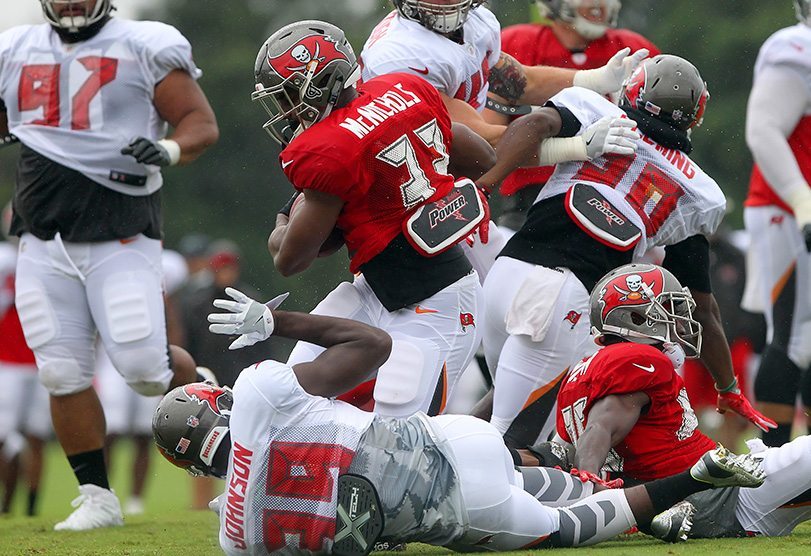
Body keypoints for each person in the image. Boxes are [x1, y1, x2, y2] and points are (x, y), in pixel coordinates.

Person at [154, 289, 763, 553]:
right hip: (449, 441)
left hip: (451, 515)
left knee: (568, 529)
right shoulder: (260, 392)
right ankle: (641, 488)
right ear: (219, 405)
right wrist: (277, 324)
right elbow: (370, 347)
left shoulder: (237, 540)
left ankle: (696, 478)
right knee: (554, 483)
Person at [481, 54, 775, 449]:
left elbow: (533, 124)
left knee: (504, 413)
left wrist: (484, 184)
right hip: (562, 298)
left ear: (633, 90)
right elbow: (702, 310)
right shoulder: (698, 192)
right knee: (512, 442)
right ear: (693, 117)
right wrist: (728, 385)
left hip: (506, 272)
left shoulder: (591, 107)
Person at [0, 0, 218, 530]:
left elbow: (199, 122)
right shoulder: (14, 48)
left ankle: (218, 423)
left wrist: (168, 148)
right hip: (42, 235)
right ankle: (98, 497)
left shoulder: (142, 44)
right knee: (61, 370)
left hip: (121, 233)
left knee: (146, 374)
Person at [254, 19, 525, 419]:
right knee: (283, 396)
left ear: (314, 87)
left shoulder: (326, 150)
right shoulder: (403, 86)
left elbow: (289, 260)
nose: (285, 111)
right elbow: (481, 157)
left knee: (399, 440)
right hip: (377, 289)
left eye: (287, 97)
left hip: (437, 306)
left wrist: (284, 215)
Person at [360, 0, 647, 281]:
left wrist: (596, 79)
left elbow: (519, 82)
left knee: (502, 289)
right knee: (466, 303)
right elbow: (483, 147)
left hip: (451, 188)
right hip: (405, 204)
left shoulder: (475, 24)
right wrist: (575, 146)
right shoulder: (399, 54)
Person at [554, 262, 811, 540]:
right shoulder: (637, 360)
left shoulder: (584, 370)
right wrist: (590, 488)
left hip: (703, 495)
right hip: (720, 497)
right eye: (667, 309)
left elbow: (564, 448)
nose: (679, 319)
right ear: (636, 318)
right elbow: (600, 427)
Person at [494, 0, 660, 234]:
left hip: (619, 198)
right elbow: (490, 145)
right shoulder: (518, 42)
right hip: (532, 201)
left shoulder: (633, 49)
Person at [744, 0, 811, 447]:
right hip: (787, 210)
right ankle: (774, 468)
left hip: (791, 207)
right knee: (794, 338)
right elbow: (762, 128)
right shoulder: (797, 46)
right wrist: (801, 200)